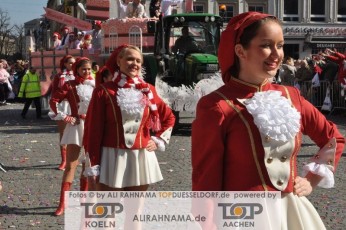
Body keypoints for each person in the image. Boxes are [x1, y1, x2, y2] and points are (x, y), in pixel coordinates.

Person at [191, 12, 345, 230]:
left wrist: (310, 180)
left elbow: (333, 138)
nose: (277, 54)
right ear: (240, 51)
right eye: (266, 45)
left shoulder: (292, 96)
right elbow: (206, 179)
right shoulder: (217, 105)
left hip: (289, 213)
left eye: (280, 45)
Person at [83, 44, 175, 192]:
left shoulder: (148, 90)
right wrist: (93, 164)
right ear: (119, 61)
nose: (135, 64)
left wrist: (159, 139)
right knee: (108, 212)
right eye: (130, 59)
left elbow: (169, 117)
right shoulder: (103, 91)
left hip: (141, 157)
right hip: (110, 157)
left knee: (135, 213)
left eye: (138, 61)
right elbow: (93, 131)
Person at [49, 57, 95, 216]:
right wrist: (66, 117)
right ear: (77, 70)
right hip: (76, 127)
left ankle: (83, 201)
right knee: (70, 166)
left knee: (87, 166)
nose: (87, 72)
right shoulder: (69, 85)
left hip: (92, 128)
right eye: (84, 69)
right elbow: (54, 101)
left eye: (89, 69)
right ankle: (63, 203)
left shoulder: (95, 84)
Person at [48, 55, 76, 171]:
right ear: (65, 64)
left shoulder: (78, 76)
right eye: (70, 63)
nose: (72, 65)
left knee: (78, 133)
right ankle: (64, 160)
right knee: (63, 133)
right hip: (63, 105)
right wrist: (55, 107)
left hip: (75, 105)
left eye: (74, 63)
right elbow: (54, 92)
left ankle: (74, 158)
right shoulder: (59, 76)